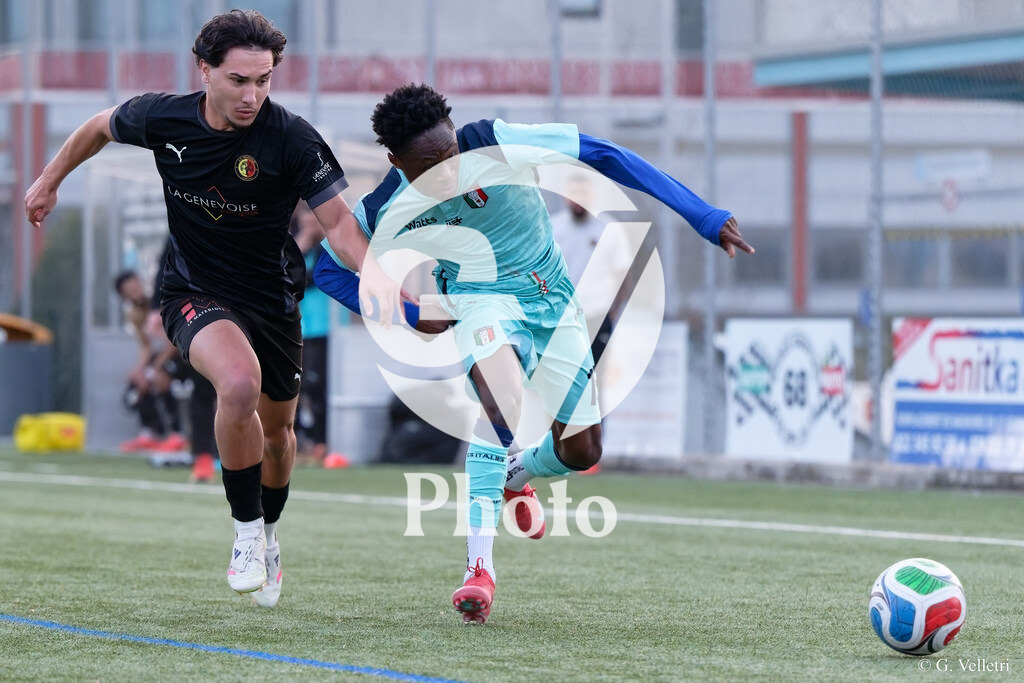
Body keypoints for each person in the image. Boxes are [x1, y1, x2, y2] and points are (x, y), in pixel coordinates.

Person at [313, 83, 755, 624]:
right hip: (478, 302)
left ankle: (513, 478)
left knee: (582, 451)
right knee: (499, 406)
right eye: (430, 166)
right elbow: (329, 270)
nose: (449, 171)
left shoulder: (497, 142)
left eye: (450, 154)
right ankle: (479, 570)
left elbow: (604, 155)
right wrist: (406, 313)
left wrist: (702, 215)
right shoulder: (386, 204)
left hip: (553, 300)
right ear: (396, 161)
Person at [24, 9, 404, 608]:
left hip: (272, 297)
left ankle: (271, 536)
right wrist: (49, 181)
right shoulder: (162, 116)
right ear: (203, 70)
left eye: (264, 80)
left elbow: (339, 227)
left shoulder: (293, 138)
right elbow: (98, 126)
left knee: (279, 438)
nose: (253, 95)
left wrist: (386, 283)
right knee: (238, 383)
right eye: (238, 80)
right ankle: (246, 532)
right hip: (194, 290)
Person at [112, 270, 188, 453]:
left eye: (134, 286)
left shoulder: (161, 300)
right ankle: (151, 432)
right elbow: (146, 346)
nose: (134, 292)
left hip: (183, 354)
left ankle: (177, 434)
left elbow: (173, 343)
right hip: (163, 355)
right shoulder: (134, 314)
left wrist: (154, 368)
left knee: (158, 377)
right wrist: (139, 370)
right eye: (128, 291)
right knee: (138, 381)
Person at [289, 203, 330, 461]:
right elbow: (285, 273)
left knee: (319, 386)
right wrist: (300, 242)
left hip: (324, 329)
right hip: (298, 327)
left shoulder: (328, 248)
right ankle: (300, 439)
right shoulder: (295, 248)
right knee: (296, 386)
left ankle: (321, 441)